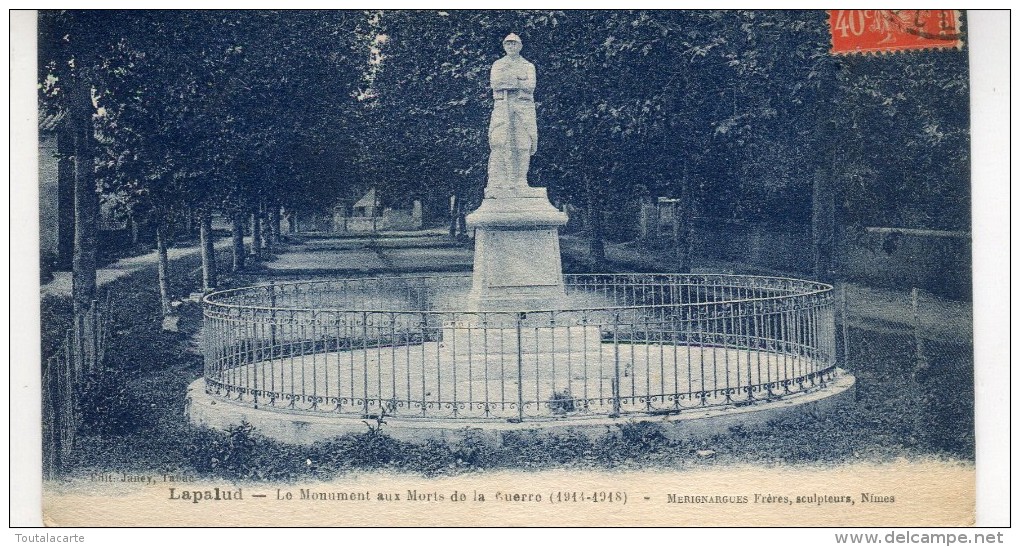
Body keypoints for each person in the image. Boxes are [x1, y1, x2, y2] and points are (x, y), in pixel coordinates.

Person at [487, 33, 538, 189]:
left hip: (523, 107)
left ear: (520, 46)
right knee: (500, 141)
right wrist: (518, 80)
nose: (511, 46)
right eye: (508, 44)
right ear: (504, 46)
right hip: (503, 107)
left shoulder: (528, 66)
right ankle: (502, 179)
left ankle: (521, 180)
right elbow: (496, 83)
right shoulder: (498, 65)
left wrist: (510, 81)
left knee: (524, 143)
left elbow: (530, 86)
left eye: (514, 44)